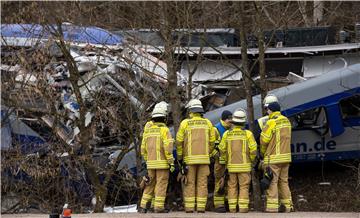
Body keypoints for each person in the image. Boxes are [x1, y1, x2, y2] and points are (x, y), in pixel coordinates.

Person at [176, 99, 215, 213]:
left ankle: (189, 208)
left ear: (190, 110)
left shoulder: (185, 123)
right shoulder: (207, 123)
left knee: (189, 183)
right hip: (204, 160)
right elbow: (212, 141)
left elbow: (179, 142)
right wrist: (207, 153)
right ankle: (201, 208)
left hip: (189, 160)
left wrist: (180, 157)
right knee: (202, 183)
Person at [219, 108, 257, 213]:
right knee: (244, 187)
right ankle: (243, 208)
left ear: (234, 121)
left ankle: (232, 209)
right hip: (245, 166)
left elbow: (222, 149)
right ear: (243, 121)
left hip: (231, 166)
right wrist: (252, 160)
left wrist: (226, 160)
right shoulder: (248, 134)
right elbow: (253, 150)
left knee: (231, 187)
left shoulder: (227, 134)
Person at [139, 106, 175, 213]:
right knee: (161, 184)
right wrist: (171, 162)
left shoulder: (148, 131)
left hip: (150, 164)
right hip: (162, 164)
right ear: (164, 118)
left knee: (149, 184)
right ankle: (158, 207)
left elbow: (143, 148)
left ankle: (143, 206)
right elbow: (168, 148)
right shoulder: (165, 130)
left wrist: (147, 160)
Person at [260, 102, 293, 213]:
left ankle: (272, 208)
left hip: (274, 158)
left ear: (270, 110)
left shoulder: (271, 122)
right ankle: (288, 206)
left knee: (272, 182)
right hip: (286, 157)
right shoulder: (286, 121)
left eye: (267, 110)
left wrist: (263, 154)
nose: (266, 112)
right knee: (284, 182)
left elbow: (264, 141)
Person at [211, 110, 232, 213]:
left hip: (231, 161)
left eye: (231, 118)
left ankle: (228, 203)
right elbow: (210, 146)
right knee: (219, 182)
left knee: (230, 182)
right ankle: (219, 205)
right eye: (229, 119)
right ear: (224, 119)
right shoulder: (216, 129)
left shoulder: (231, 128)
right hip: (219, 162)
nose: (231, 121)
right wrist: (216, 156)